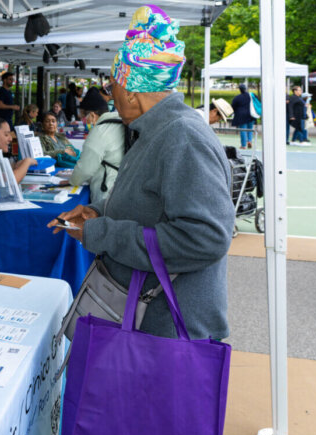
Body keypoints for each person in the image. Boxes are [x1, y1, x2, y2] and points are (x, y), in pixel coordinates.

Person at [48, 4, 234, 340]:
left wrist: (100, 232)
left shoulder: (182, 137)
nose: (111, 98)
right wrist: (99, 210)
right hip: (147, 316)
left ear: (131, 92)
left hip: (168, 330)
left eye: (112, 88)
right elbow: (152, 203)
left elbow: (206, 238)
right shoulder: (155, 130)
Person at [70, 88, 125, 204]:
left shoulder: (99, 131)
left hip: (106, 191)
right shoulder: (119, 120)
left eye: (85, 117)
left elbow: (85, 169)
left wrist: (72, 181)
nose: (85, 121)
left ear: (93, 115)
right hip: (123, 185)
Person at [0, 117, 37, 183]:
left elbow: (0, 176)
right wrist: (27, 162)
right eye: (6, 135)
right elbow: (9, 182)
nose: (11, 139)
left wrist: (16, 166)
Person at [231, 83, 255, 149]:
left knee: (243, 130)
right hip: (251, 115)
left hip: (241, 116)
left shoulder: (237, 98)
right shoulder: (251, 96)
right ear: (246, 89)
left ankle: (243, 145)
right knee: (250, 129)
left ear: (240, 90)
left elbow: (233, 106)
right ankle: (249, 141)